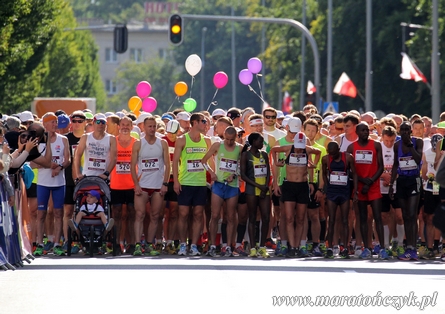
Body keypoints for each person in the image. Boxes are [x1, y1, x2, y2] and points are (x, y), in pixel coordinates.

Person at [271, 132, 321, 258]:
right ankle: (292, 246)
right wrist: (277, 162)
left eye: (301, 145)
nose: (299, 148)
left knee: (300, 218)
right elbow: (273, 149)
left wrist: (313, 164)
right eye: (297, 145)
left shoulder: (308, 150)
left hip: (302, 186)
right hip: (289, 185)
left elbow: (318, 152)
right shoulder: (288, 148)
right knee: (288, 217)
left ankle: (299, 246)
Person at [172, 113, 211, 256]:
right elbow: (175, 161)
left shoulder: (206, 140)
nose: (205, 124)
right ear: (194, 123)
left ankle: (194, 245)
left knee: (198, 214)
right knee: (183, 214)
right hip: (186, 182)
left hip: (200, 183)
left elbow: (208, 161)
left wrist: (211, 176)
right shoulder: (182, 139)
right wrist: (176, 181)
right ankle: (183, 244)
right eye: (203, 121)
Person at [130, 116, 170, 256]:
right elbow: (132, 166)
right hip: (143, 184)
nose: (152, 129)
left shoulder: (162, 143)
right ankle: (136, 245)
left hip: (158, 185)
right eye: (149, 126)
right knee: (139, 214)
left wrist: (165, 184)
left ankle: (148, 244)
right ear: (144, 127)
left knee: (155, 216)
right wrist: (136, 185)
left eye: (154, 126)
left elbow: (168, 165)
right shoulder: (138, 143)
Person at [33, 113, 70, 257]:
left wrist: (59, 167)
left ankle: (56, 244)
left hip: (59, 183)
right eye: (53, 122)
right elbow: (32, 163)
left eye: (56, 122)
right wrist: (49, 165)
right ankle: (39, 243)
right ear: (45, 124)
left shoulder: (63, 139)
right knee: (41, 213)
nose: (55, 124)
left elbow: (67, 160)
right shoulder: (38, 141)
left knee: (58, 213)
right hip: (43, 182)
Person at [201, 126, 242, 257]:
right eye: (227, 139)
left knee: (230, 217)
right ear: (223, 136)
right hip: (218, 185)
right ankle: (212, 245)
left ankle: (229, 246)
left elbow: (242, 166)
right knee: (214, 215)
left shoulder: (240, 148)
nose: (229, 142)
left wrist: (234, 175)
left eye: (232, 139)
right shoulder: (218, 145)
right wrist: (211, 173)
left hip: (232, 185)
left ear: (236, 137)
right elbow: (203, 161)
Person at [347, 122, 386, 259]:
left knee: (377, 217)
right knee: (362, 218)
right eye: (362, 130)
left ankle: (382, 248)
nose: (365, 132)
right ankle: (367, 248)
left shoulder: (376, 145)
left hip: (373, 185)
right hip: (360, 187)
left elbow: (381, 167)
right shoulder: (351, 148)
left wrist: (370, 181)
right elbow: (348, 170)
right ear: (357, 132)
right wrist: (363, 181)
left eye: (367, 130)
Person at [390, 121, 423, 260]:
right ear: (399, 130)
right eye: (402, 129)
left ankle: (413, 248)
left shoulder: (417, 142)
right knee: (405, 216)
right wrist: (391, 184)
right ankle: (408, 246)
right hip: (402, 181)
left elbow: (418, 159)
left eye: (406, 129)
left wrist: (409, 145)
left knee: (412, 214)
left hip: (414, 180)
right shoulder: (396, 145)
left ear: (410, 130)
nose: (404, 132)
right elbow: (395, 165)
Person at [321, 142, 357, 258]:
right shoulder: (326, 159)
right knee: (331, 220)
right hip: (332, 192)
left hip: (344, 192)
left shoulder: (348, 157)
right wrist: (326, 186)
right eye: (329, 152)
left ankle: (345, 247)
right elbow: (324, 172)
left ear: (338, 149)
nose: (331, 154)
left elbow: (355, 174)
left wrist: (355, 191)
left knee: (345, 220)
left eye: (334, 152)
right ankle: (330, 248)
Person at [240, 132, 272, 258]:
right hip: (252, 190)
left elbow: (268, 172)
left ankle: (262, 246)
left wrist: (265, 187)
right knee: (252, 218)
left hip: (264, 189)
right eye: (260, 141)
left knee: (266, 218)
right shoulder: (245, 155)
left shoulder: (264, 154)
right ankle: (253, 247)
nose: (262, 143)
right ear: (253, 142)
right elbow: (243, 175)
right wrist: (258, 186)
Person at [109, 116, 137, 255]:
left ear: (132, 127)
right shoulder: (113, 141)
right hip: (116, 184)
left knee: (132, 215)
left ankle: (132, 244)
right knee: (117, 215)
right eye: (123, 124)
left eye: (128, 125)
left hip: (132, 184)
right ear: (119, 126)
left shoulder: (136, 143)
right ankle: (116, 244)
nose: (125, 127)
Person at [73, 113, 117, 181]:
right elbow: (78, 155)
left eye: (103, 122)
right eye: (98, 122)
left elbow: (114, 158)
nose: (100, 124)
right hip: (87, 175)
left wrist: (106, 174)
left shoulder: (111, 138)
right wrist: (78, 173)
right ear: (93, 123)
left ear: (106, 124)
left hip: (103, 178)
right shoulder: (86, 137)